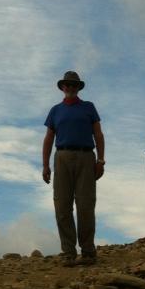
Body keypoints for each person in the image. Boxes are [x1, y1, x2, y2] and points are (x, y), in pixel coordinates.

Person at [42, 71, 105, 266]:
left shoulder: (88, 107)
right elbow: (48, 138)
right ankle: (68, 252)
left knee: (86, 205)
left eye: (73, 85)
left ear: (78, 88)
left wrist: (101, 160)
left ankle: (87, 251)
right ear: (62, 87)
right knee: (62, 205)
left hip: (86, 157)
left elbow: (98, 134)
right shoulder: (55, 110)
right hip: (62, 157)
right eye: (67, 85)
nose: (70, 88)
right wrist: (45, 165)